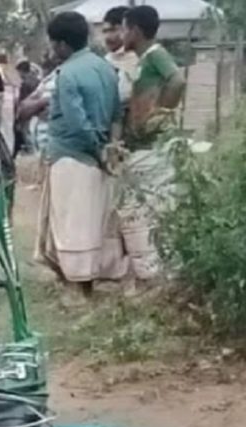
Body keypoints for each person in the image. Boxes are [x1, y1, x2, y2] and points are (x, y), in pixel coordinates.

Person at [34, 11, 127, 301]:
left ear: (61, 44)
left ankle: (76, 288)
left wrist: (97, 149)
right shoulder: (106, 69)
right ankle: (85, 283)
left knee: (71, 224)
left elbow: (77, 122)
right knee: (92, 222)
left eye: (53, 44)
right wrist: (110, 149)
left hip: (72, 156)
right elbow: (117, 114)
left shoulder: (67, 74)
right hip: (100, 159)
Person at [113, 4, 187, 285]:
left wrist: (159, 114)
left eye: (123, 28)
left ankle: (160, 276)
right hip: (142, 147)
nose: (121, 35)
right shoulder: (144, 60)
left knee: (155, 207)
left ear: (135, 30)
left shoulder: (156, 54)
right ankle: (149, 274)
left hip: (154, 147)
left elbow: (177, 80)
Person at [102, 6, 138, 106]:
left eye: (113, 30)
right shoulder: (104, 62)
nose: (108, 37)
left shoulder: (140, 59)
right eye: (105, 31)